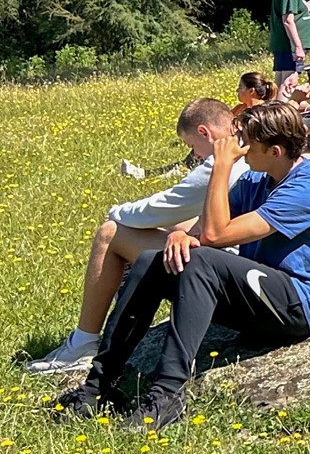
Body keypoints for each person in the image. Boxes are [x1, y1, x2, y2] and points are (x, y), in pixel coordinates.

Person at [55, 101, 310, 429]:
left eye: (248, 143)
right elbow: (205, 227)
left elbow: (217, 234)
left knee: (201, 261)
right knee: (151, 261)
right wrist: (181, 235)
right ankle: (98, 387)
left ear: (274, 151)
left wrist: (221, 166)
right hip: (262, 293)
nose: (240, 149)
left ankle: (167, 396)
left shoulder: (306, 189)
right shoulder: (256, 182)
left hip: (299, 305)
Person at [24, 99, 252, 375]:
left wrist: (113, 212)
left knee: (111, 233)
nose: (195, 155)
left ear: (204, 132)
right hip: (247, 265)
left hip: (223, 273)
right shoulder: (248, 148)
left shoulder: (218, 164)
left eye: (192, 146)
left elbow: (155, 210)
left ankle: (83, 342)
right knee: (181, 224)